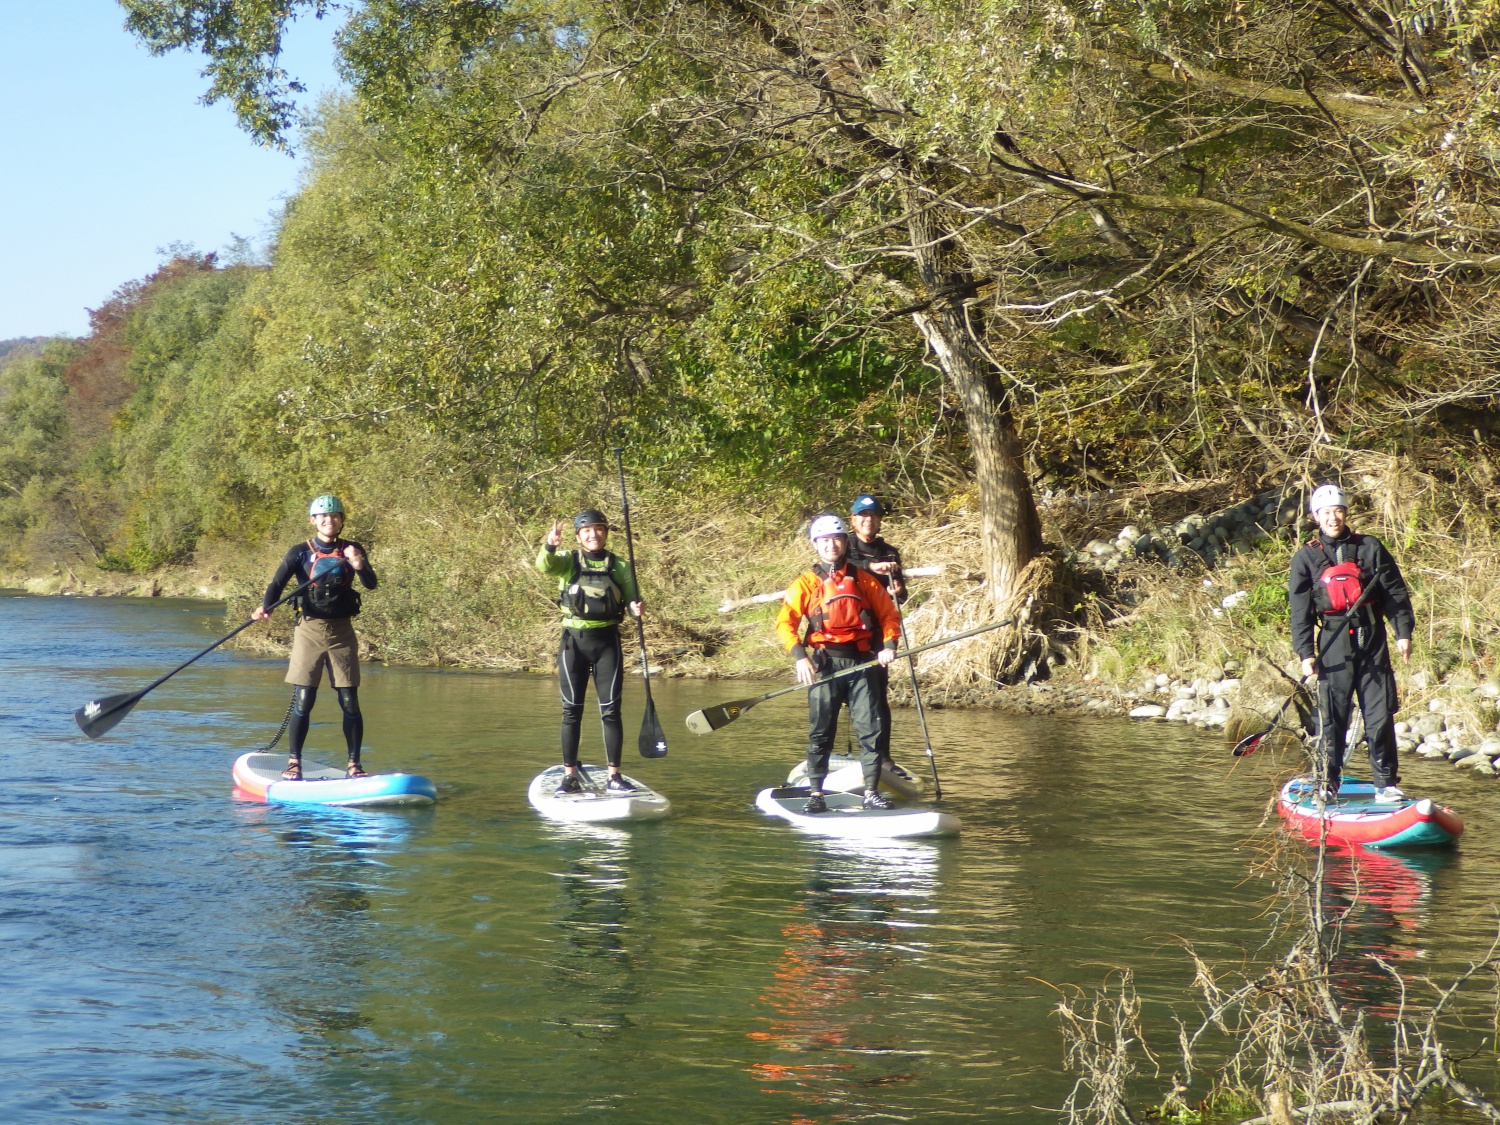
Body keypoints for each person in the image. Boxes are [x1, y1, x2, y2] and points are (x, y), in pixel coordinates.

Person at [1288, 483, 1415, 803]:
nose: (1334, 518)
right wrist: (1306, 653)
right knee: (1333, 716)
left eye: (1339, 511)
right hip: (1333, 641)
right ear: (1316, 517)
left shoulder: (1371, 547)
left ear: (1346, 513)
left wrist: (1403, 632)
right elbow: (1300, 610)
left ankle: (1385, 783)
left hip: (1372, 638)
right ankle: (1328, 782)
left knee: (1380, 714)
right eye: (1327, 513)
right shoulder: (1305, 557)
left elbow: (1394, 593)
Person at [776, 514, 902, 812]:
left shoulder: (864, 580)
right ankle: (816, 793)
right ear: (815, 546)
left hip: (862, 664)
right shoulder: (805, 584)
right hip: (825, 666)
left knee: (870, 730)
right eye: (824, 541)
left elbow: (889, 615)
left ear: (845, 542)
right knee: (820, 732)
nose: (831, 545)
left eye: (836, 539)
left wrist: (888, 646)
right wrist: (800, 657)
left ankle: (871, 791)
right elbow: (785, 623)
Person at [252, 494, 379, 780]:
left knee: (349, 700)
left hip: (342, 632)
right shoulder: (299, 552)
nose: (329, 520)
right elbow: (277, 583)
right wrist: (265, 607)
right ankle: (294, 763)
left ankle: (354, 765)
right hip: (309, 629)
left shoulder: (353, 549)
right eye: (323, 516)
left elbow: (371, 584)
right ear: (313, 520)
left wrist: (358, 564)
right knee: (304, 700)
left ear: (342, 519)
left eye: (334, 516)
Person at [537, 510, 643, 795]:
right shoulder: (568, 562)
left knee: (611, 712)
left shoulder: (619, 565)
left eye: (598, 529)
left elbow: (633, 597)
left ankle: (614, 776)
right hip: (574, 643)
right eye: (586, 530)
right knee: (571, 711)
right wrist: (550, 544)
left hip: (608, 643)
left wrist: (636, 608)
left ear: (606, 533)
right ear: (578, 535)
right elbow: (544, 565)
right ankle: (569, 776)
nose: (592, 534)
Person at [846, 494, 907, 764]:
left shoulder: (890, 551)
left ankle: (882, 756)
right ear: (854, 519)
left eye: (873, 515)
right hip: (846, 632)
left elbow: (900, 596)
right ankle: (853, 753)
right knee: (847, 697)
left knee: (878, 697)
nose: (868, 520)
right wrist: (871, 567)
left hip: (878, 634)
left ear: (880, 520)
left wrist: (898, 590)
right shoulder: (842, 544)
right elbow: (842, 567)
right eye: (863, 515)